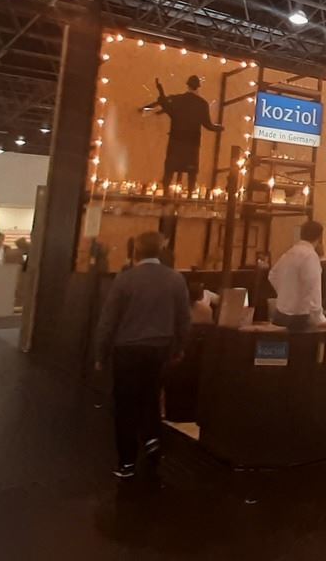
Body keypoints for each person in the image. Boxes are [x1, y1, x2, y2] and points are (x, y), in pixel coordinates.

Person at [93, 231, 191, 479]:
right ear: (160, 251)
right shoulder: (175, 279)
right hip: (160, 348)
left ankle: (127, 462)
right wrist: (180, 347)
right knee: (151, 396)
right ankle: (152, 441)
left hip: (127, 348)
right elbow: (184, 319)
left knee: (125, 403)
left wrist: (100, 353)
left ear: (136, 251)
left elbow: (108, 320)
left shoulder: (125, 280)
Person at [142, 74, 223, 191]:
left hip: (176, 141)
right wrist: (219, 128)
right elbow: (208, 125)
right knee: (191, 171)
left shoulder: (178, 100)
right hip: (192, 143)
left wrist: (160, 91)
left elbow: (166, 106)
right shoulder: (202, 104)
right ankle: (190, 193)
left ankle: (165, 192)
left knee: (170, 169)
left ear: (188, 85)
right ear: (198, 87)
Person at [270, 221, 326, 330]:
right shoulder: (310, 256)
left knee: (277, 341)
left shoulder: (289, 253)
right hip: (299, 318)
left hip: (280, 314)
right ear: (320, 237)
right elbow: (313, 287)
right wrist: (320, 319)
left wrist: (285, 294)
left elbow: (272, 275)